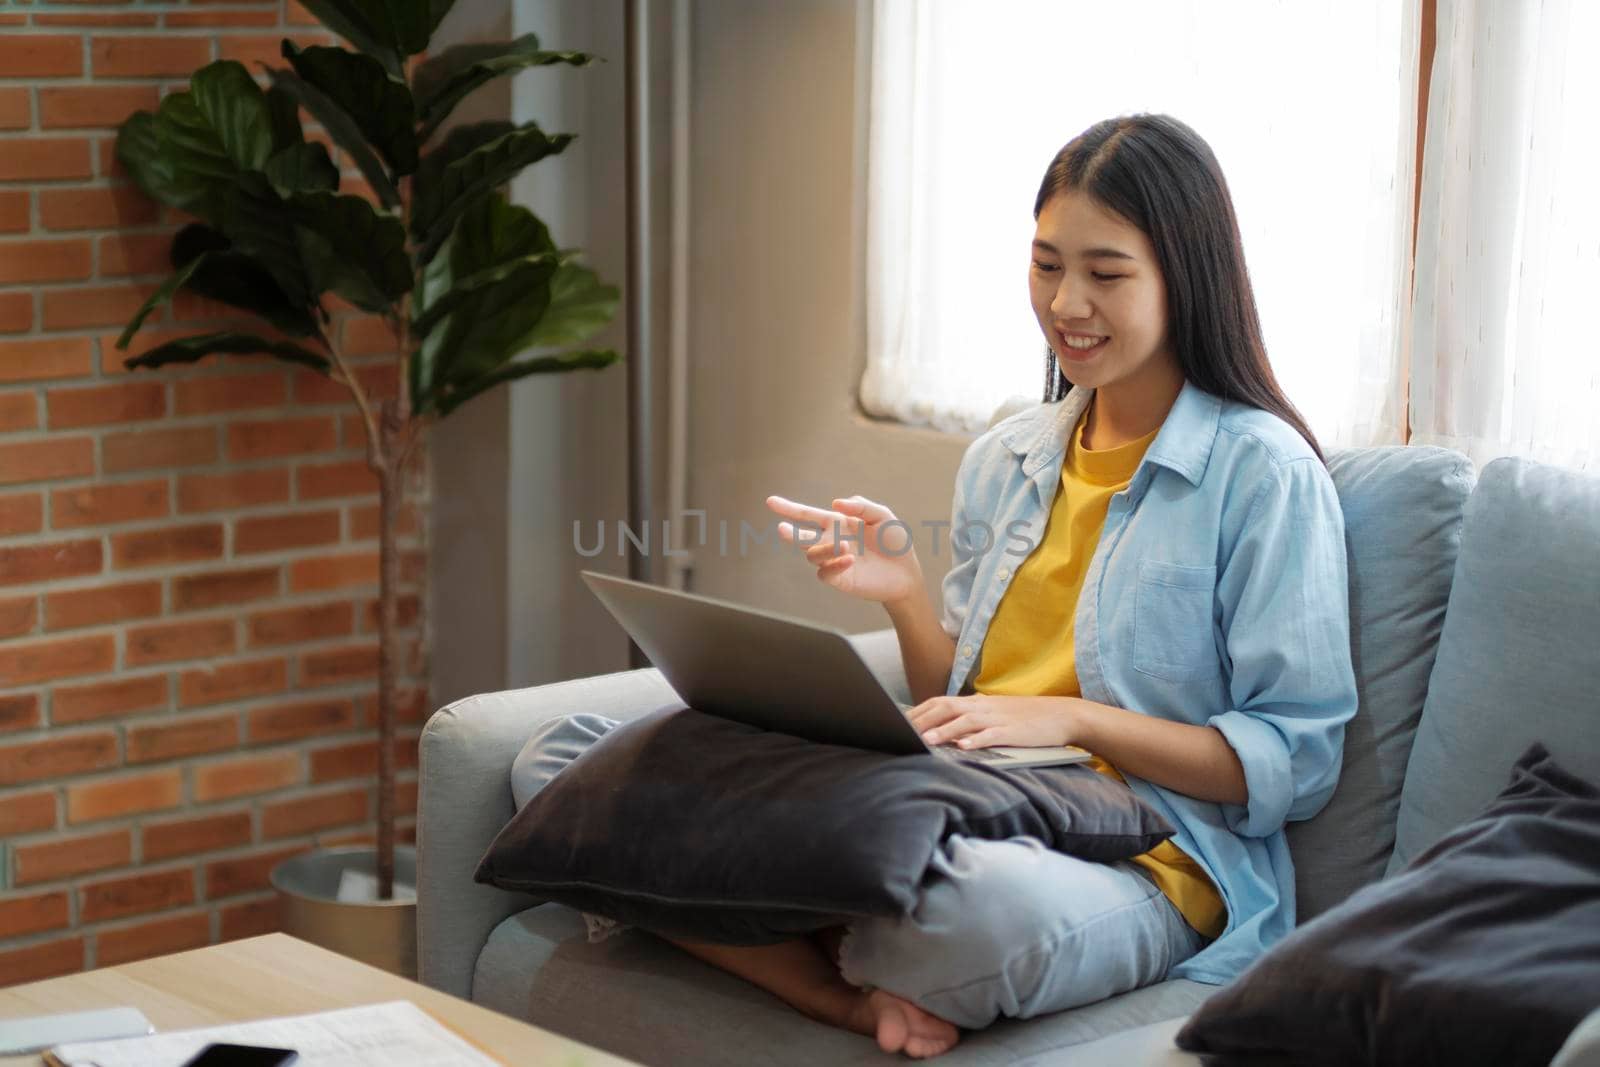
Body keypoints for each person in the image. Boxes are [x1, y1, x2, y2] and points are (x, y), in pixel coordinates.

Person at [519, 113, 1357, 1059]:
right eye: (1046, 265)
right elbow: (952, 706)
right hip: (971, 798)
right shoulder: (1010, 456)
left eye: (1106, 273)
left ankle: (783, 920)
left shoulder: (1263, 474)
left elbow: (1296, 759)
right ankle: (834, 993)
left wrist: (1076, 721)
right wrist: (905, 596)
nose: (1066, 302)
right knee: (563, 762)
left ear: (1185, 276)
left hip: (1147, 858)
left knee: (956, 915)